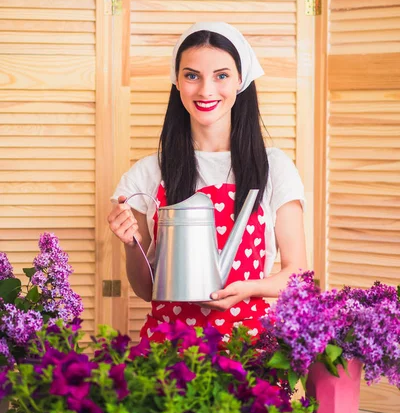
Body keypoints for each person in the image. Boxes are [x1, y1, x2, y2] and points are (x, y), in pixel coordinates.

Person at [108, 22, 307, 341]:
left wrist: (250, 289)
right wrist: (132, 245)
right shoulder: (147, 174)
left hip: (248, 346)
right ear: (177, 81)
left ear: (240, 80)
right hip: (167, 349)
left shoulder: (274, 167)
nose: (206, 90)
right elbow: (146, 290)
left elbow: (298, 275)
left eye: (221, 75)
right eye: (192, 75)